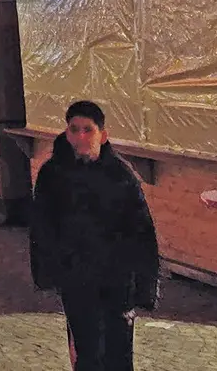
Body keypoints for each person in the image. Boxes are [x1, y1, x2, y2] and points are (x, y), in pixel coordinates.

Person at [30, 100, 160, 371]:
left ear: (103, 134)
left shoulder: (121, 175)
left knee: (119, 355)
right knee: (86, 355)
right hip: (77, 282)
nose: (80, 137)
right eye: (74, 129)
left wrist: (145, 286)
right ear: (67, 133)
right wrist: (49, 272)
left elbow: (142, 232)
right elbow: (42, 228)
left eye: (87, 130)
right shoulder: (52, 175)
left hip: (118, 282)